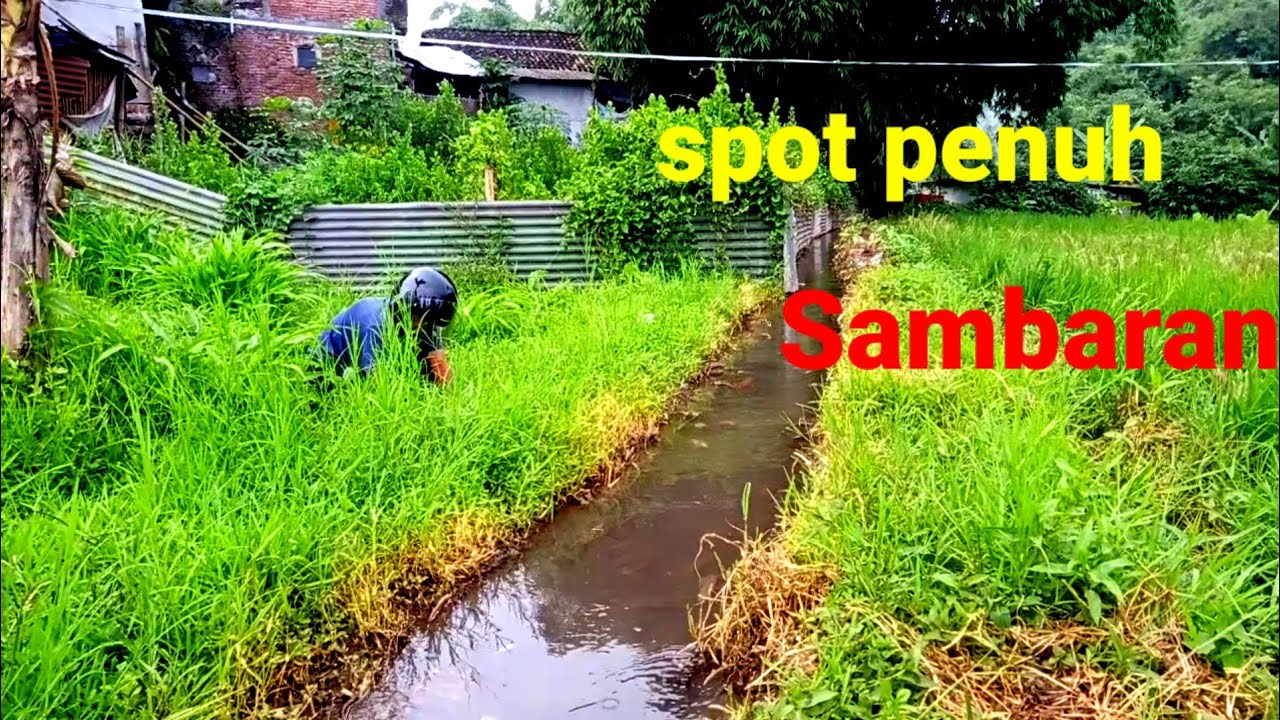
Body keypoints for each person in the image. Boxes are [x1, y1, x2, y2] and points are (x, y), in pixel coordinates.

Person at [313, 266, 458, 385]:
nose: (424, 326)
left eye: (429, 322)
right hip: (328, 358)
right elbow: (378, 383)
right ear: (406, 310)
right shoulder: (375, 326)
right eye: (422, 319)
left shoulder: (422, 322)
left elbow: (440, 367)